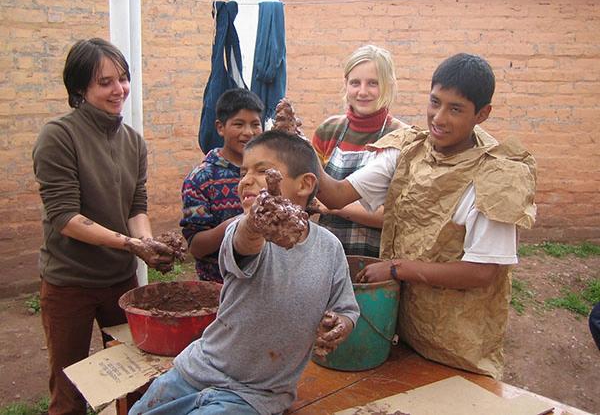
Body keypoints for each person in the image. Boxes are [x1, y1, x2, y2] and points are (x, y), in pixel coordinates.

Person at [316, 53, 537, 379]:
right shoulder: (408, 150)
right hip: (401, 329)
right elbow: (335, 195)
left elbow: (482, 273)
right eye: (435, 102)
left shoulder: (497, 176)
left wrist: (396, 268)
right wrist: (295, 147)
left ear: (482, 114)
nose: (439, 117)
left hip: (459, 345)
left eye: (456, 109)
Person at [130, 130, 360, 415]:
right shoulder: (244, 231)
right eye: (243, 172)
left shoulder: (330, 248)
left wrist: (340, 323)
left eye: (262, 171)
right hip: (197, 370)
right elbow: (245, 243)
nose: (246, 180)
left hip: (256, 394)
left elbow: (347, 307)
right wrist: (254, 221)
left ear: (305, 184)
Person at [32, 38, 176, 415]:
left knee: (136, 378)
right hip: (69, 283)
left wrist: (147, 241)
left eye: (123, 78)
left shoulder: (133, 142)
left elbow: (136, 207)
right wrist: (132, 245)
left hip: (120, 280)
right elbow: (65, 218)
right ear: (80, 89)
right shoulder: (58, 136)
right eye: (105, 82)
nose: (119, 90)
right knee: (70, 387)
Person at [312, 45, 407, 258]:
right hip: (326, 256)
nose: (362, 92)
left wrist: (333, 206)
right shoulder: (328, 130)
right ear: (346, 84)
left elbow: (396, 217)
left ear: (388, 86)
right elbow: (308, 193)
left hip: (376, 263)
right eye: (355, 83)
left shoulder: (402, 137)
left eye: (373, 83)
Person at [180, 88, 264, 282]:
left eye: (255, 124)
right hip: (220, 286)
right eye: (239, 124)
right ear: (220, 127)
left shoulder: (271, 174)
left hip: (264, 282)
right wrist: (240, 224)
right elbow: (196, 247)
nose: (248, 132)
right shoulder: (201, 179)